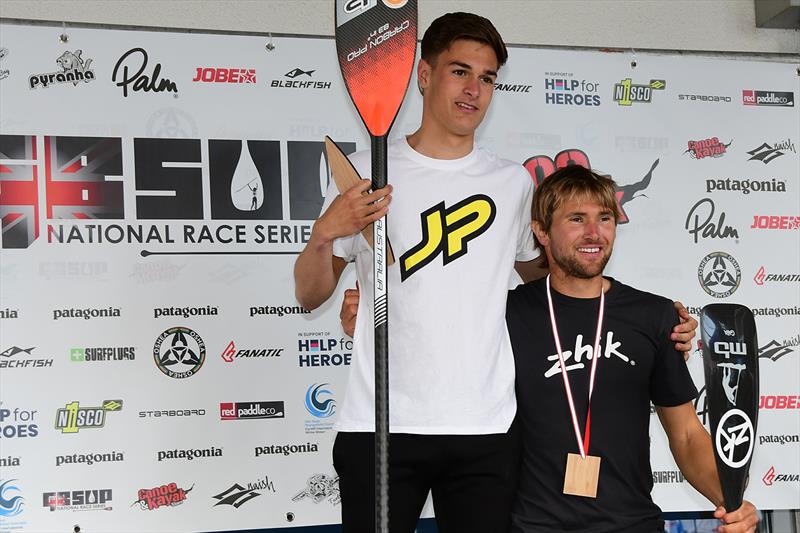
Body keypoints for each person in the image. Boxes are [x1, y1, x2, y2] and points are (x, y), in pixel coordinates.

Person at [295, 12, 697, 533]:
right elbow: (309, 294)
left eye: (487, 78)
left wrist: (651, 324)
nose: (474, 90)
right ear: (422, 74)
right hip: (380, 426)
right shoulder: (370, 175)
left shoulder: (511, 184)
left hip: (486, 429)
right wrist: (326, 231)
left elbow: (557, 283)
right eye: (460, 72)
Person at [505, 165, 758, 533]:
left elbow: (686, 433)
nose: (595, 233)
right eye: (577, 219)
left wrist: (731, 502)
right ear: (541, 231)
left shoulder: (653, 315)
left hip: (631, 524)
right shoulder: (507, 313)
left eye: (605, 218)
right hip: (532, 525)